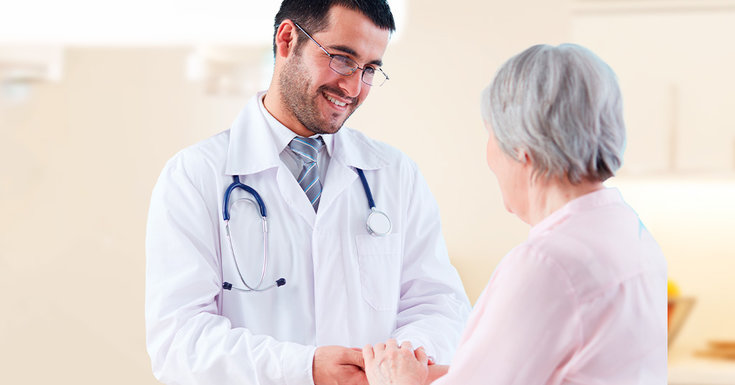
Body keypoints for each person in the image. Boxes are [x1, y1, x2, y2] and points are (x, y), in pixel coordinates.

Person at [145, 1, 471, 385]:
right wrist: (305, 369)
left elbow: (439, 303)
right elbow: (179, 341)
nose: (353, 87)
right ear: (287, 40)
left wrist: (403, 356)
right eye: (342, 59)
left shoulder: (395, 174)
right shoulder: (195, 176)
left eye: (369, 70)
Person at [362, 44, 668, 385]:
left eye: (490, 133)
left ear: (523, 149)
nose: (489, 155)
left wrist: (394, 380)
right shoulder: (630, 231)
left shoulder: (547, 264)